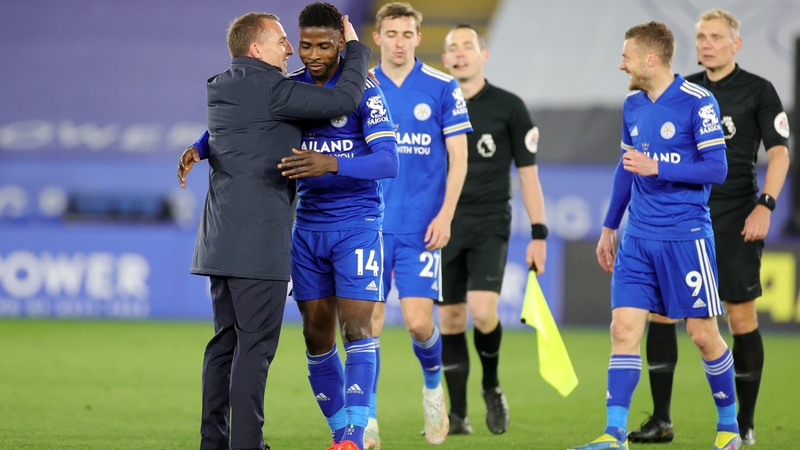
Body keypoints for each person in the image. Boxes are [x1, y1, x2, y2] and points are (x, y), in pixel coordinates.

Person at [187, 12, 371, 450]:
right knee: (255, 348)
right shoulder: (274, 90)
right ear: (256, 49)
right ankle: (247, 444)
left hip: (218, 240)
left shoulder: (221, 85)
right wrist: (356, 48)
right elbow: (344, 99)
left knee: (224, 345)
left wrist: (198, 146)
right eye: (282, 40)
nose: (290, 49)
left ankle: (214, 441)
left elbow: (239, 129)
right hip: (257, 246)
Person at [569, 21, 740, 450]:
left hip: (685, 237)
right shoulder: (633, 105)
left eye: (626, 56)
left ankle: (729, 430)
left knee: (703, 335)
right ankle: (614, 435)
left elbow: (717, 168)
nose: (621, 64)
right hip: (638, 238)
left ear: (650, 58)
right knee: (623, 329)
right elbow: (626, 169)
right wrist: (610, 226)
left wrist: (658, 167)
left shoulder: (698, 102)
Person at [627, 9, 791, 447]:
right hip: (682, 217)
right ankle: (661, 420)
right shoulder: (682, 90)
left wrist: (766, 205)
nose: (707, 44)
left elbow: (779, 154)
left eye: (717, 37)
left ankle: (743, 423)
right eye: (701, 37)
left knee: (738, 318)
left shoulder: (758, 90)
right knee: (662, 314)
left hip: (736, 218)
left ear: (736, 44)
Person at [280, 3, 398, 450]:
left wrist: (331, 163)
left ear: (341, 44)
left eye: (324, 46)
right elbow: (247, 126)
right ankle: (338, 435)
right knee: (315, 335)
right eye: (306, 45)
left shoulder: (365, 91)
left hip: (356, 225)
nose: (314, 55)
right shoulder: (290, 88)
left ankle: (354, 436)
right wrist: (203, 145)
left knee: (356, 329)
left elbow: (388, 161)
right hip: (307, 228)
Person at [365, 3, 471, 448]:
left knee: (417, 323)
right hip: (369, 226)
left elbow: (459, 157)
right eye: (391, 34)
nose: (400, 42)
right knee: (367, 324)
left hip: (421, 229)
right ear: (377, 37)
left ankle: (432, 388)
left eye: (407, 34)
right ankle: (366, 418)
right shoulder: (361, 85)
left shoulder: (442, 87)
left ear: (418, 38)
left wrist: (446, 215)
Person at [437, 24, 547, 436]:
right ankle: (458, 415)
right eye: (453, 48)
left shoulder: (509, 107)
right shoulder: (435, 104)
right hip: (443, 223)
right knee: (450, 318)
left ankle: (491, 385)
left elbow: (529, 176)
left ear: (483, 55)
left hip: (489, 222)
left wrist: (539, 233)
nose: (460, 53)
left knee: (483, 311)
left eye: (468, 46)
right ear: (444, 59)